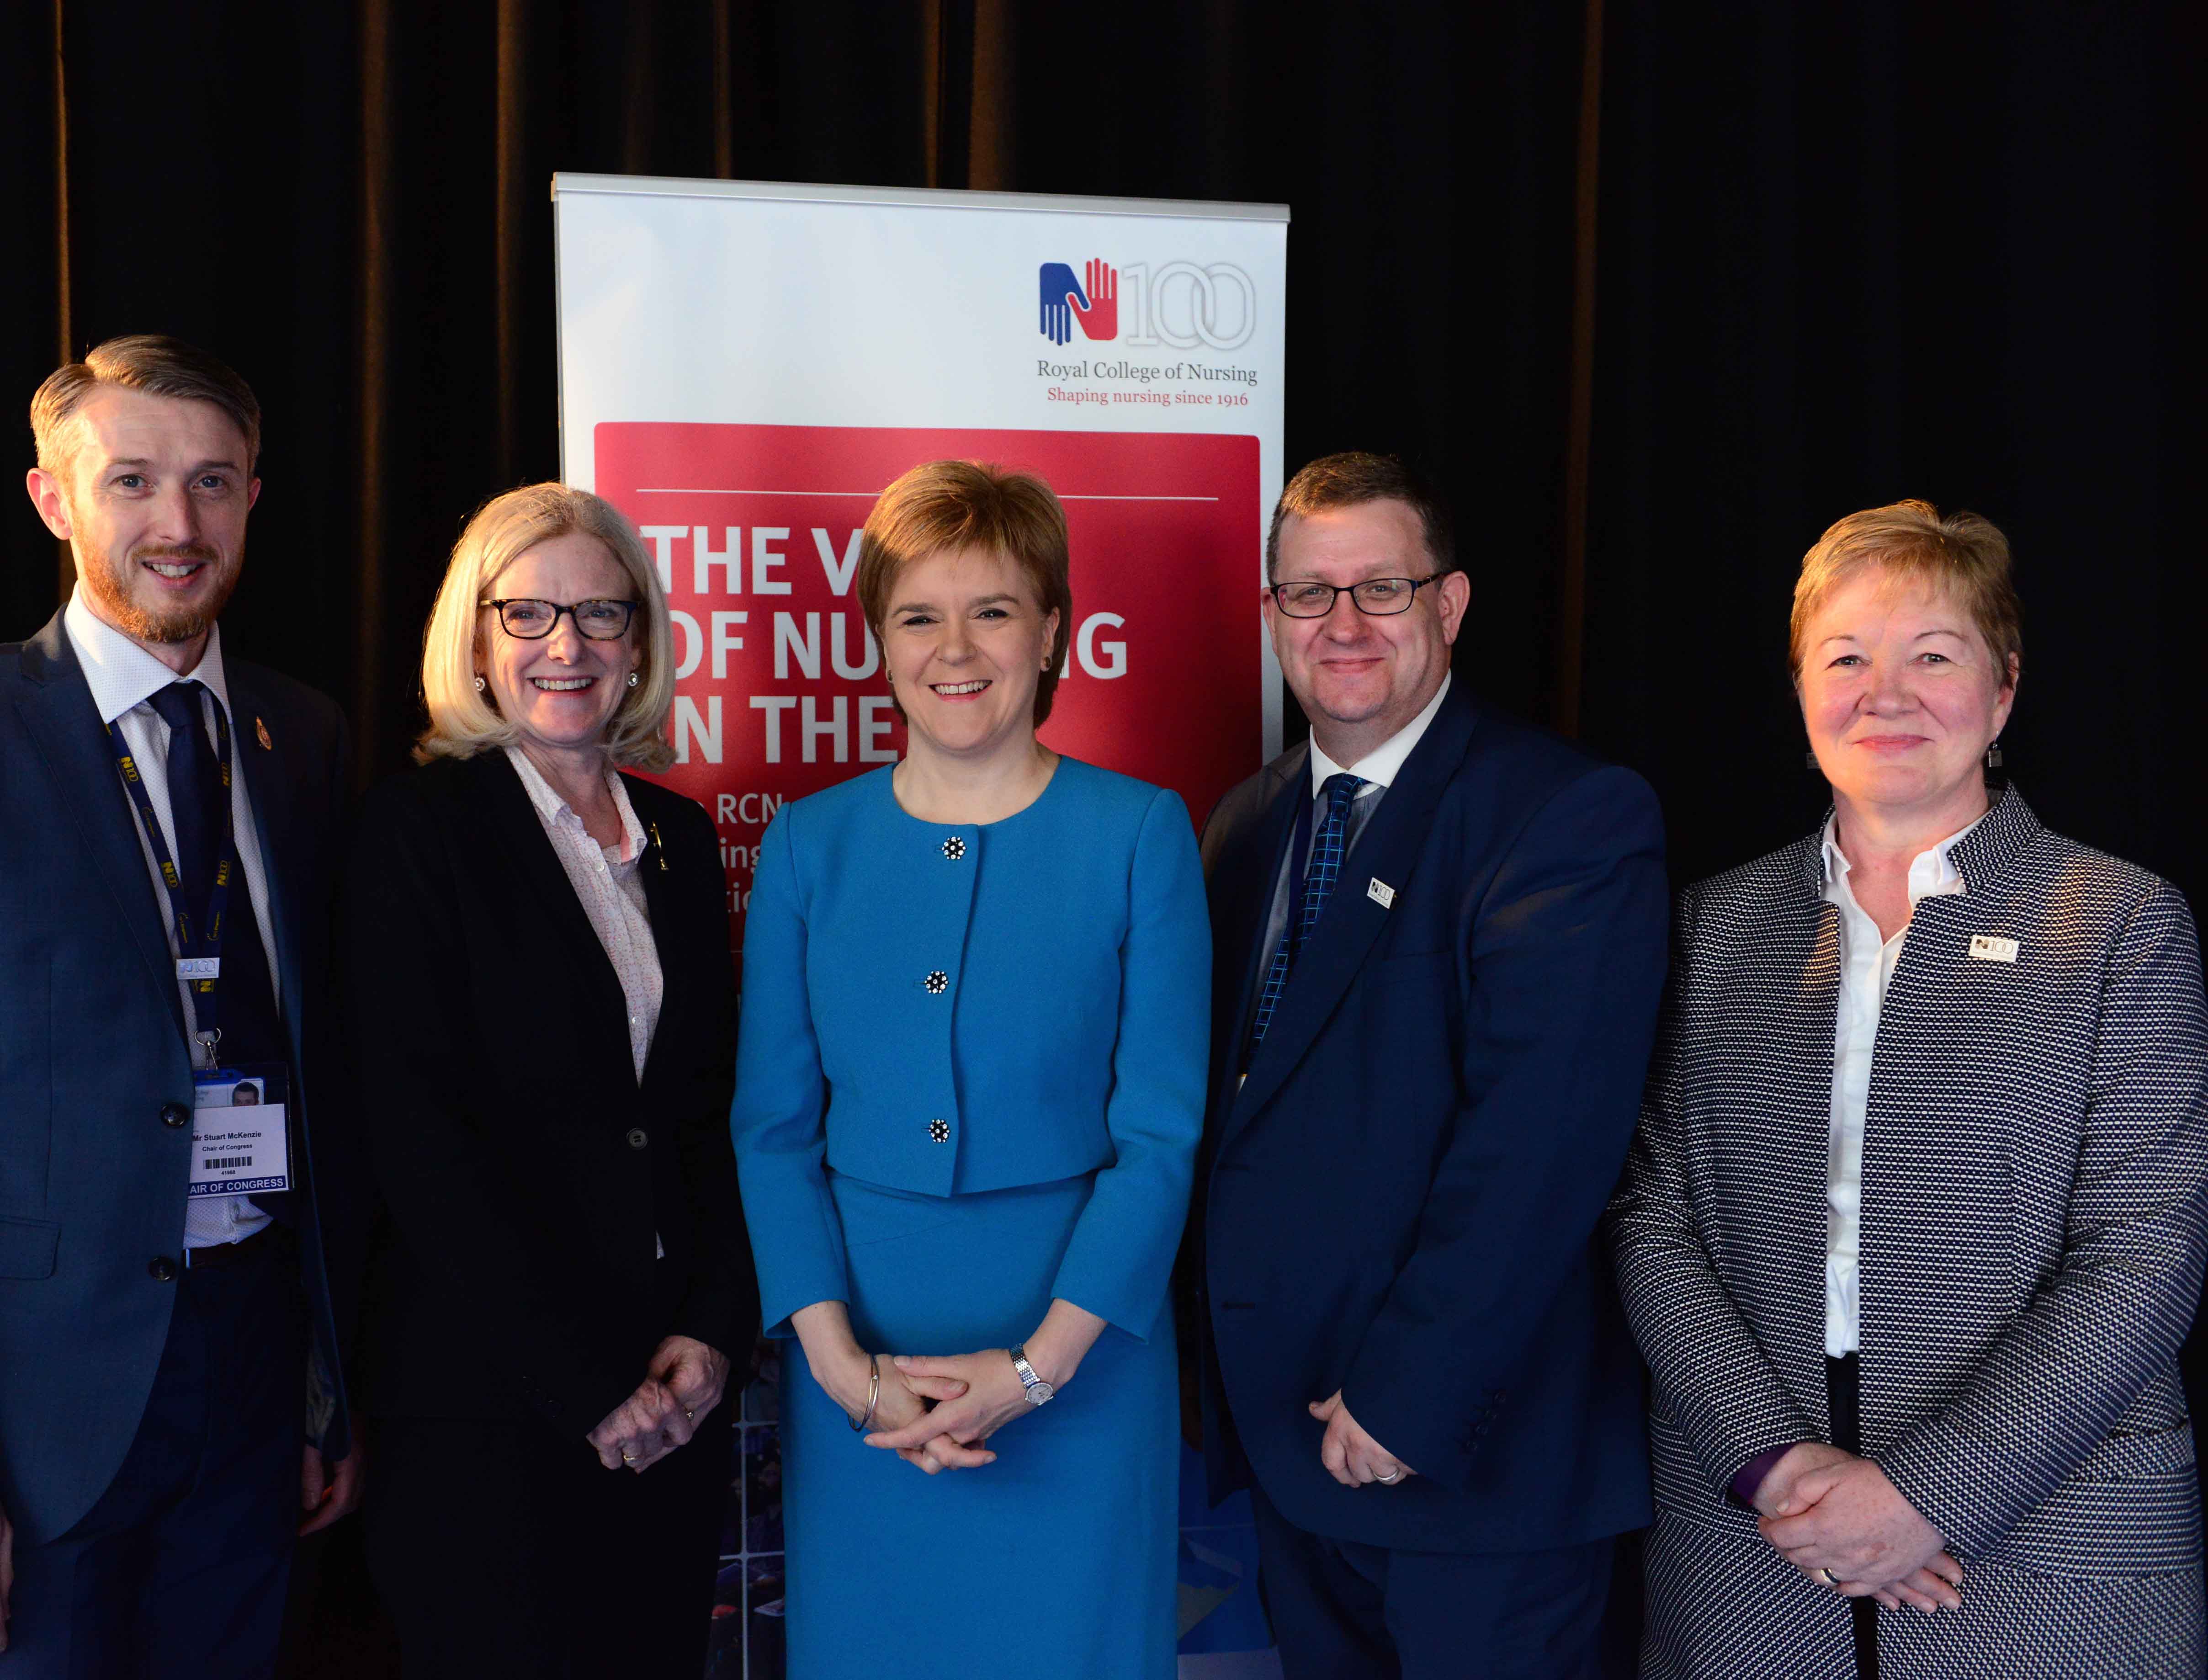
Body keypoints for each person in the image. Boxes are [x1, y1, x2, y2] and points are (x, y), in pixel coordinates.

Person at [0, 335, 364, 1675]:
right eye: (134, 481)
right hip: (27, 1433)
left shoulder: (305, 740)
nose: (178, 524)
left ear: (255, 500)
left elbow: (315, 1080)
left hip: (254, 1396)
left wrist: (323, 1386)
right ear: (55, 499)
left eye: (215, 483)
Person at [1608, 500, 2208, 1679]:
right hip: (1756, 1547)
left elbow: (2144, 1254)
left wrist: (1930, 1495)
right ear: (1799, 688)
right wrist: (1777, 1470)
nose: (1886, 694)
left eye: (1933, 655)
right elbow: (1650, 1224)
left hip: (2049, 1548)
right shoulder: (1714, 929)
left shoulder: (2120, 923)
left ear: (2004, 691)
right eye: (1847, 658)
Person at [1189, 452, 1668, 1677]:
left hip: (1471, 1469)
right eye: (1309, 593)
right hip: (1297, 1458)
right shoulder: (1248, 825)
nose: (1342, 624)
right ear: (1271, 616)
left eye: (1381, 588)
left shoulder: (1563, 816)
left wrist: (1410, 1393)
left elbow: (1539, 1146)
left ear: (1448, 607)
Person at [730, 460, 1210, 1676]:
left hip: (1083, 1366)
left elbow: (1160, 1136)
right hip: (863, 1386)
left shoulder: (1142, 833)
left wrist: (1039, 1370)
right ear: (877, 640)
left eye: (993, 609)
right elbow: (773, 1129)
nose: (957, 647)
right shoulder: (808, 843)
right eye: (918, 615)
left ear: (1051, 630)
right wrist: (842, 1374)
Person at [343, 483, 757, 1677]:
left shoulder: (680, 842)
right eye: (525, 614)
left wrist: (712, 1334)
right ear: (474, 639)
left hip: (672, 1405)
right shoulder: (417, 830)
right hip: (493, 1414)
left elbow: (714, 1111)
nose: (565, 646)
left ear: (642, 640)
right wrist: (589, 1385)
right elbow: (422, 1143)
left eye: (599, 614)